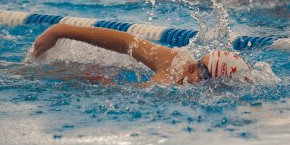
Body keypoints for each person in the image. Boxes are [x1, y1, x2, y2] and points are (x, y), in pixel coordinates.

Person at [31, 24, 250, 86]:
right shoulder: (177, 62)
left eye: (201, 70)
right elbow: (127, 42)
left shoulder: (167, 87)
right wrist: (59, 30)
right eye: (199, 61)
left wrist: (105, 85)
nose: (192, 66)